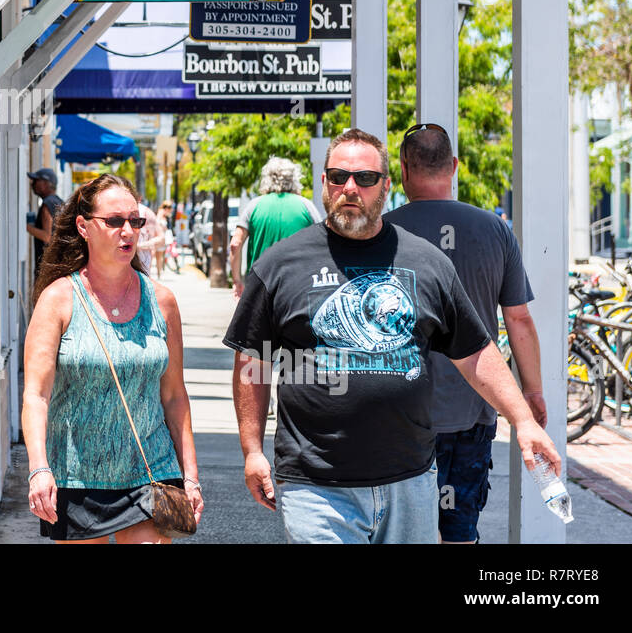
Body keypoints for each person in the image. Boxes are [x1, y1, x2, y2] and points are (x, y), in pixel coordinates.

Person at [223, 128, 560, 544]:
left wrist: (523, 420)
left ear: (387, 184)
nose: (350, 188)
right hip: (317, 487)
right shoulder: (280, 265)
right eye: (337, 176)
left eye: (364, 178)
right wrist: (252, 449)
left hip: (411, 481)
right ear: (324, 183)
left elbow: (474, 352)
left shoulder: (427, 261)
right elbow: (253, 363)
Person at [387, 123, 546, 544]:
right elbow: (519, 321)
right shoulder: (494, 230)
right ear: (454, 166)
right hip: (473, 407)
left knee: (400, 530)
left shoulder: (381, 232)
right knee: (458, 530)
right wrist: (531, 394)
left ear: (403, 170)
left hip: (398, 410)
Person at [23, 174, 203, 543]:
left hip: (151, 470)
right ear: (84, 227)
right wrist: (39, 468)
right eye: (115, 221)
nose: (128, 231)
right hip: (77, 475)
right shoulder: (58, 299)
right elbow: (36, 395)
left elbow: (173, 395)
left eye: (135, 221)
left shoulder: (162, 301)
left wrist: (190, 475)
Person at [231, 157, 322, 299]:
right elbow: (322, 244)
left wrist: (237, 280)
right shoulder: (307, 206)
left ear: (266, 178)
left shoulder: (253, 206)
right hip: (298, 287)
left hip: (259, 286)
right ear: (294, 178)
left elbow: (235, 244)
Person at [26, 167, 65, 278]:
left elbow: (47, 236)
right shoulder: (58, 202)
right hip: (57, 264)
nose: (32, 184)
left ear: (46, 184)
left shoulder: (47, 204)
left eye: (36, 181)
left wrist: (26, 227)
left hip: (46, 267)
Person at [152, 201, 173, 277]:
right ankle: (158, 273)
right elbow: (157, 223)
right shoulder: (161, 213)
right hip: (159, 237)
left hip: (162, 237)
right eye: (169, 207)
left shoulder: (164, 214)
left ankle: (159, 272)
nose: (170, 209)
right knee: (157, 255)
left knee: (159, 255)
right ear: (166, 207)